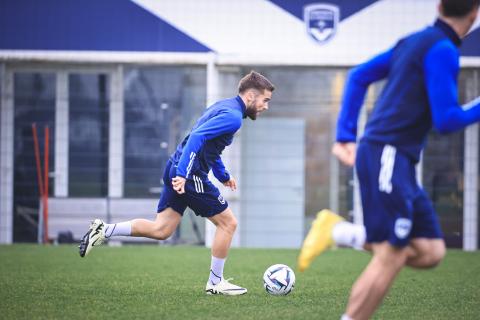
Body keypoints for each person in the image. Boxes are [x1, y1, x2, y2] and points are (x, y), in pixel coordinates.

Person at [298, 0, 480, 319]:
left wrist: (345, 135)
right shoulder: (443, 50)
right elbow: (447, 120)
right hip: (387, 154)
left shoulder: (413, 41)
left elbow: (358, 76)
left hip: (398, 160)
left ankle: (339, 232)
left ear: (438, 7)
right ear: (475, 13)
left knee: (430, 251)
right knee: (391, 254)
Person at [79, 71, 275, 296]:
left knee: (161, 229)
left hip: (175, 165)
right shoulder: (232, 116)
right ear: (251, 95)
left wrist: (222, 175)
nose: (266, 106)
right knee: (228, 224)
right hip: (189, 176)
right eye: (265, 100)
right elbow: (197, 137)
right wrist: (183, 174)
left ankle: (104, 230)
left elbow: (211, 148)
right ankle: (215, 283)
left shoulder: (225, 106)